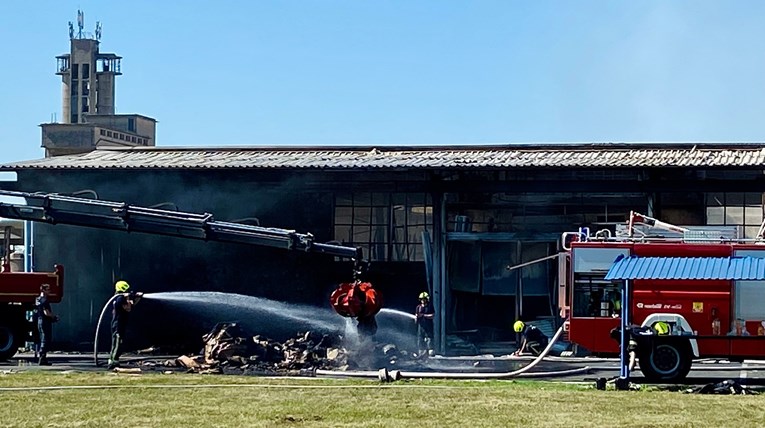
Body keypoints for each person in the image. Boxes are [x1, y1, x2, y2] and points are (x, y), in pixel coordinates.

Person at [107, 280, 142, 369]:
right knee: (117, 343)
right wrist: (130, 298)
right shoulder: (119, 298)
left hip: (120, 324)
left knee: (118, 343)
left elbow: (131, 305)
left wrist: (137, 298)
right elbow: (128, 308)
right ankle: (113, 361)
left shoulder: (120, 298)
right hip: (117, 325)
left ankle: (114, 359)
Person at [34, 284, 58, 365]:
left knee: (42, 338)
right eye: (48, 289)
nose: (49, 291)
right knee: (46, 339)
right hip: (45, 321)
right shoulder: (45, 301)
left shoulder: (38, 299)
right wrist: (54, 317)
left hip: (39, 320)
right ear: (43, 290)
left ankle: (41, 357)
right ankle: (42, 358)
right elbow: (46, 312)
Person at [414, 291, 435, 356]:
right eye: (422, 299)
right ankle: (421, 352)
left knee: (430, 338)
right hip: (421, 326)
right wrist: (416, 317)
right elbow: (416, 317)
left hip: (428, 326)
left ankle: (431, 351)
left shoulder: (430, 307)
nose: (423, 300)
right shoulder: (418, 307)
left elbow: (432, 315)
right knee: (420, 339)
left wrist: (423, 315)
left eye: (424, 299)